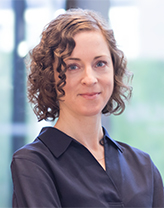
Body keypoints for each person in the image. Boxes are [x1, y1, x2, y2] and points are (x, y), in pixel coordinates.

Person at [11, 8, 164, 208]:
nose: (90, 79)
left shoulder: (143, 166)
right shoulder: (34, 164)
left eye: (100, 63)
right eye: (73, 67)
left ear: (114, 70)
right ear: (50, 76)